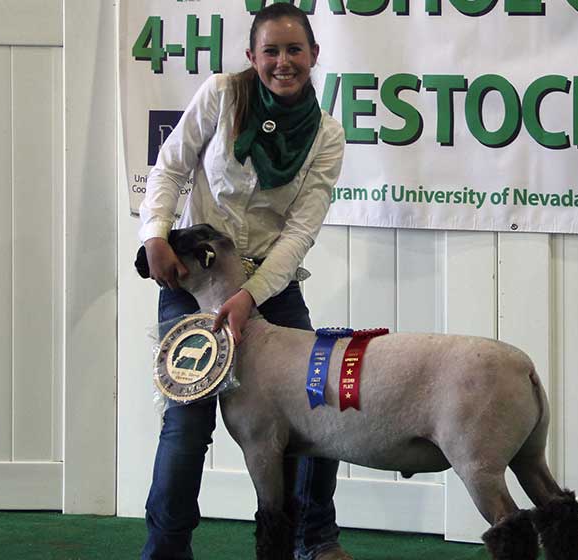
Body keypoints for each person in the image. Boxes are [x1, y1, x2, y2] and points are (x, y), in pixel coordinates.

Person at [137, 4, 349, 559]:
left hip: (271, 288)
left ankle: (315, 543)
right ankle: (165, 550)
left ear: (314, 56)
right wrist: (156, 233)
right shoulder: (222, 94)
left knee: (317, 409)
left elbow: (299, 233)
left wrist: (249, 296)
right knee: (187, 425)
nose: (283, 62)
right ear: (252, 57)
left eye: (294, 50)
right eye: (271, 51)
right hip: (194, 281)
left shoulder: (327, 135)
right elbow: (171, 167)